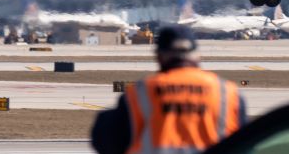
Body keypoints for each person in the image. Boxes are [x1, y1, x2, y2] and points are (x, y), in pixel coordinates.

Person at [92, 24, 247, 154]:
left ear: (158, 57)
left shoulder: (141, 93)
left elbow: (105, 140)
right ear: (198, 56)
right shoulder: (227, 93)